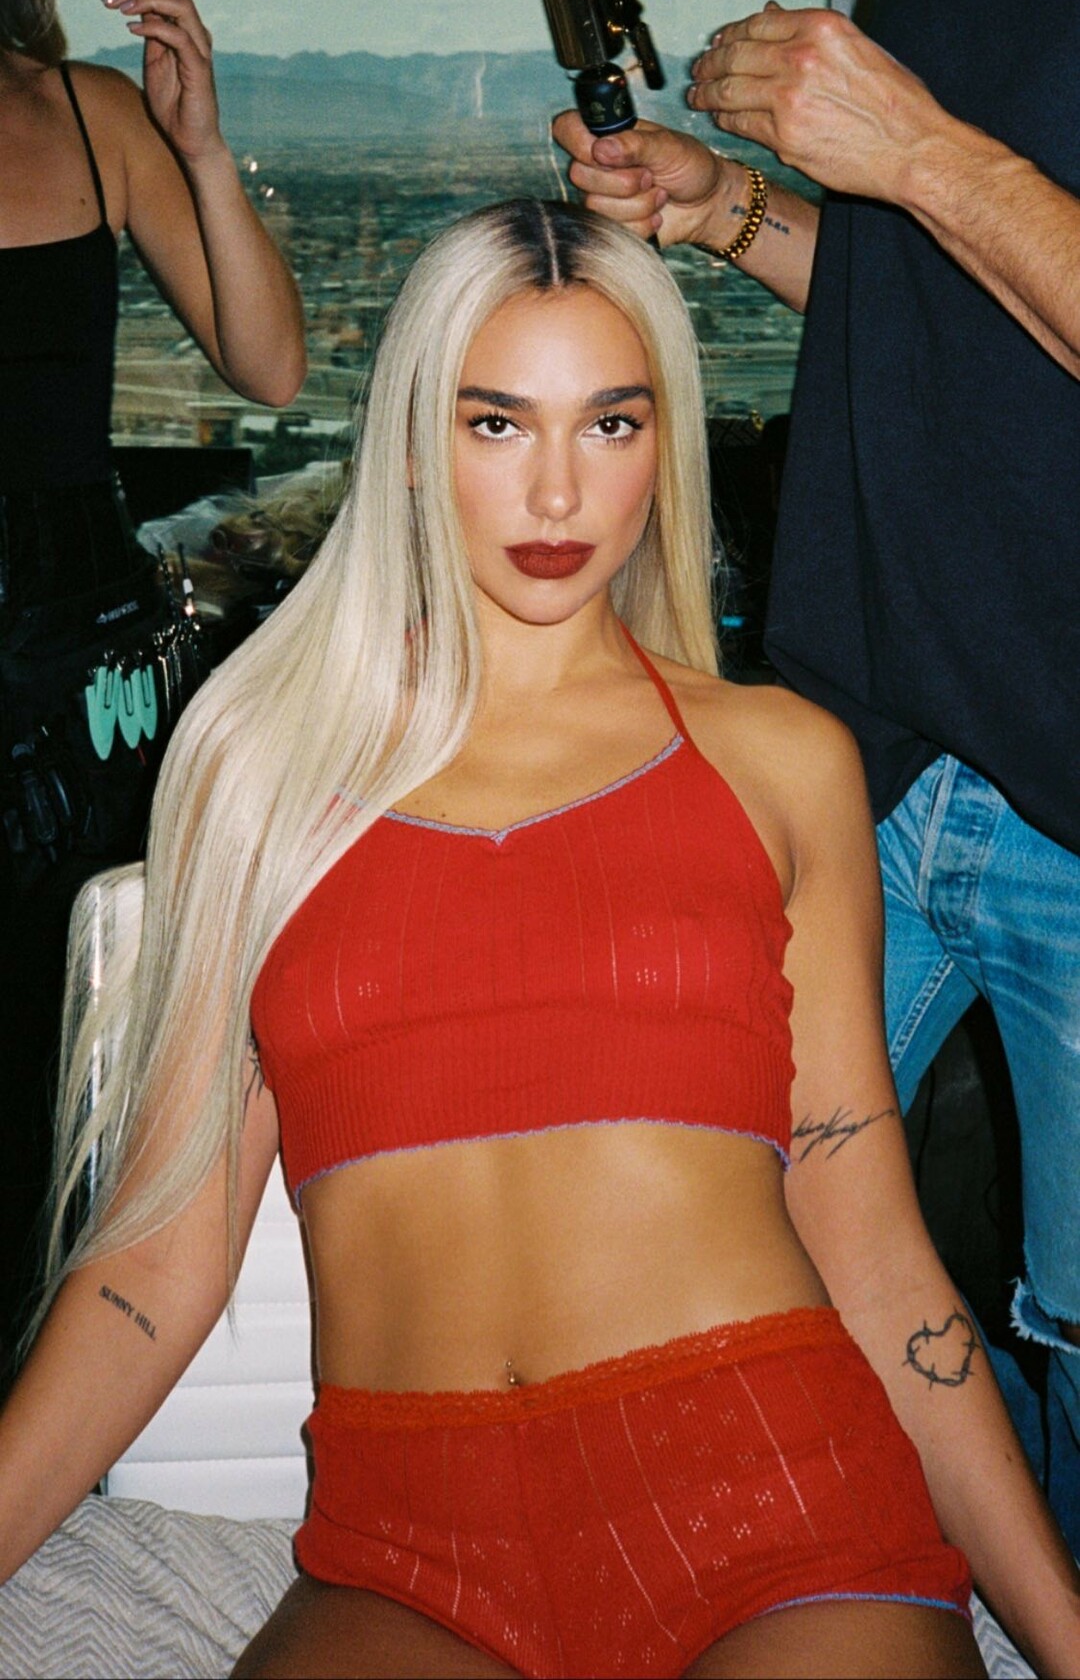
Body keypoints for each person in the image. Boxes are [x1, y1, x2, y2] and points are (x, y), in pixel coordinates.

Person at [2, 198, 1078, 1678]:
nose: (559, 492)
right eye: (496, 424)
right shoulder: (259, 769)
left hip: (772, 1488)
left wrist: (1063, 1636)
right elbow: (152, 1268)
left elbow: (875, 1252)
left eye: (611, 423)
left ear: (665, 441)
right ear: (411, 440)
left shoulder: (778, 762)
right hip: (411, 1543)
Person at [554, 0, 1080, 1558]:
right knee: (719, 1250)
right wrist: (730, 210)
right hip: (862, 750)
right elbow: (932, 301)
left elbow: (950, 193)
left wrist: (918, 148)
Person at [0, 0, 306, 1373]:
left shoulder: (85, 114)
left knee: (66, 1105)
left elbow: (270, 364)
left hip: (77, 690)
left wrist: (197, 143)